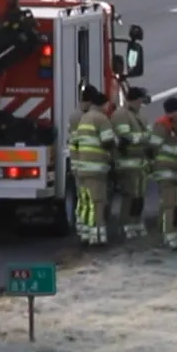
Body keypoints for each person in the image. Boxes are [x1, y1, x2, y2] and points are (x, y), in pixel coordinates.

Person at [68, 84, 117, 245]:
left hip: (81, 167)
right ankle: (96, 235)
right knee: (97, 201)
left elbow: (74, 142)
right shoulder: (99, 118)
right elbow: (108, 141)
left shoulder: (82, 118)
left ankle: (84, 231)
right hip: (95, 167)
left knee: (84, 201)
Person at [110, 87, 154, 240]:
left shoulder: (140, 115)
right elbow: (125, 137)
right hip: (127, 163)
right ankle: (125, 224)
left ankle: (136, 222)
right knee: (130, 195)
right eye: (141, 100)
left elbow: (150, 134)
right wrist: (144, 137)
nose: (142, 103)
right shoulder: (121, 115)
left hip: (141, 163)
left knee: (139, 196)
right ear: (135, 99)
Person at [151, 96, 177, 250]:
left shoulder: (176, 126)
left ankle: (163, 232)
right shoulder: (162, 125)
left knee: (171, 204)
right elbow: (154, 145)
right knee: (169, 205)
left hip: (174, 171)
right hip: (165, 170)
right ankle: (170, 237)